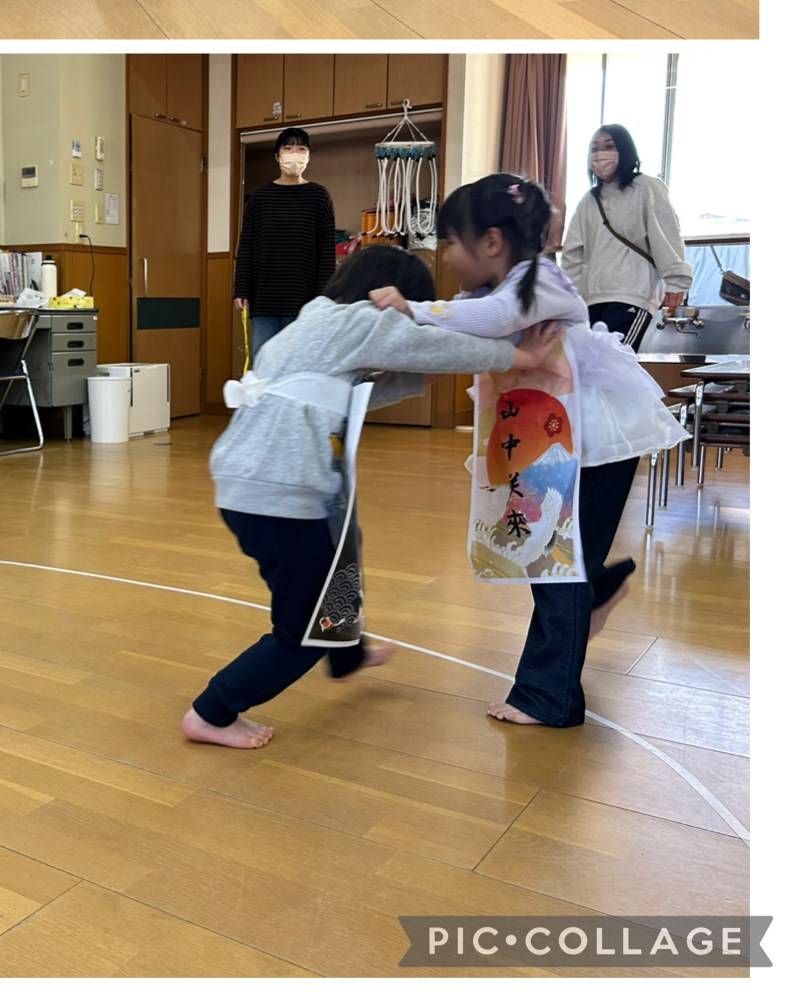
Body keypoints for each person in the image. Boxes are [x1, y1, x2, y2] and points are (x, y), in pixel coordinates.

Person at [185, 244, 563, 748]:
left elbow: (355, 394)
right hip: (278, 489)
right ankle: (212, 712)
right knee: (304, 629)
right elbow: (427, 345)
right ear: (386, 296)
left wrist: (424, 374)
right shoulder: (359, 319)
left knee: (342, 547)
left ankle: (349, 653)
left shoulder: (316, 324)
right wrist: (522, 357)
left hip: (254, 482)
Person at [371, 173, 685, 729]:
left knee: (555, 564)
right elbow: (452, 342)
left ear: (491, 242)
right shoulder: (483, 295)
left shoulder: (540, 279)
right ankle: (594, 592)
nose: (446, 256)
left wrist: (414, 307)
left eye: (451, 242)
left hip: (595, 438)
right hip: (557, 436)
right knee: (560, 559)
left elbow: (494, 321)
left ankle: (549, 697)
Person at [562, 125, 691, 349]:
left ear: (625, 150)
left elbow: (665, 236)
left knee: (614, 360)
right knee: (591, 365)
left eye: (609, 146)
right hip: (592, 300)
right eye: (595, 148)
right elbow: (573, 255)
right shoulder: (589, 200)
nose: (600, 154)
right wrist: (570, 301)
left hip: (632, 295)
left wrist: (676, 281)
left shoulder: (647, 188)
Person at [233, 128, 336, 360]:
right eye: (288, 148)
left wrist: (323, 296)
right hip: (264, 296)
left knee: (299, 364)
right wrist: (241, 288)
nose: (294, 153)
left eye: (301, 148)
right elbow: (246, 246)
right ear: (277, 156)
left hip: (304, 297)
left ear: (308, 156)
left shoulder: (319, 196)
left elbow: (326, 252)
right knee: (264, 363)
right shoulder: (260, 198)